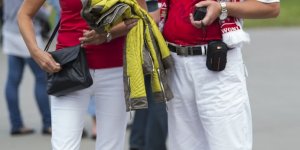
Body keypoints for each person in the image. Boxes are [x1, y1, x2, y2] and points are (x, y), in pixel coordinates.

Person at [17, 0, 147, 149]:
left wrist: (108, 34)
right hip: (68, 68)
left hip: (114, 69)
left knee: (111, 146)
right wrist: (35, 52)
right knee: (63, 145)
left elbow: (140, 15)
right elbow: (24, 14)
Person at [154, 0, 280, 150]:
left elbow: (271, 7)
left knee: (227, 144)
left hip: (217, 67)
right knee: (183, 145)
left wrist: (222, 8)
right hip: (176, 65)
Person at [2, 0, 51, 135]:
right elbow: (35, 9)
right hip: (27, 33)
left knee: (13, 80)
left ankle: (16, 124)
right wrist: (47, 13)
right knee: (41, 78)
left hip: (9, 31)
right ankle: (48, 123)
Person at [129, 1, 168, 150]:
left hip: (144, 15)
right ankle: (151, 145)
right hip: (152, 14)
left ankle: (138, 143)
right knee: (158, 94)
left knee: (148, 90)